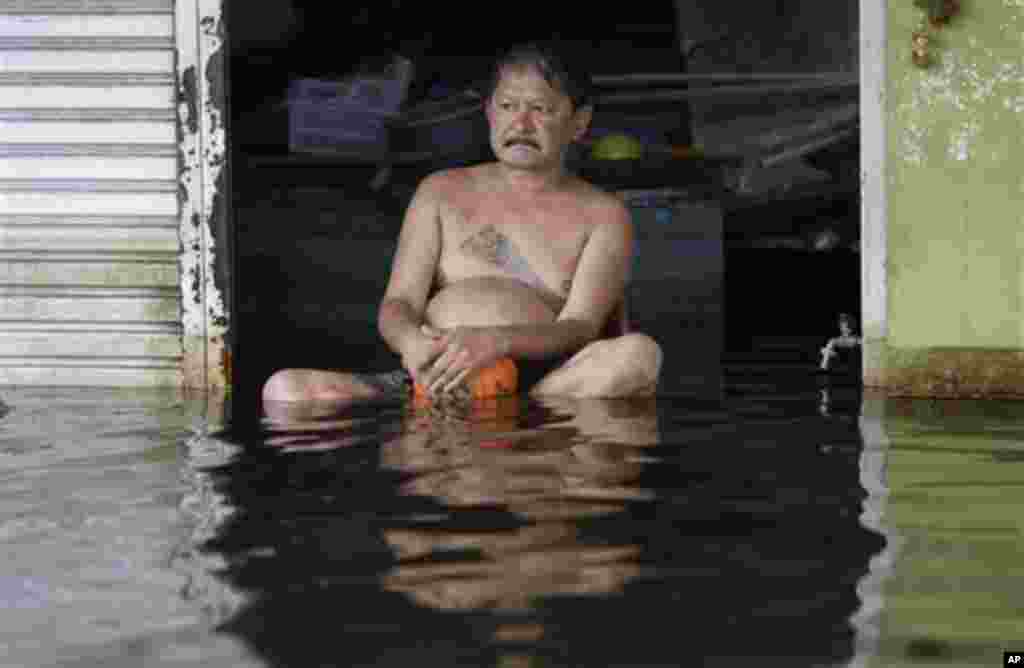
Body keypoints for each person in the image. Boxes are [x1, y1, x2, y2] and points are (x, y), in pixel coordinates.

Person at [262, 42, 662, 405]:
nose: (520, 124)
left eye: (540, 110)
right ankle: (432, 408)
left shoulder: (604, 214)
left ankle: (523, 412)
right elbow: (398, 303)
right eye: (507, 106)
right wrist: (412, 345)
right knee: (285, 391)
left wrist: (496, 341)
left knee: (639, 356)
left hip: (547, 388)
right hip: (431, 379)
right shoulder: (440, 192)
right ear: (489, 112)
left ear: (579, 122)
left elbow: (581, 327)